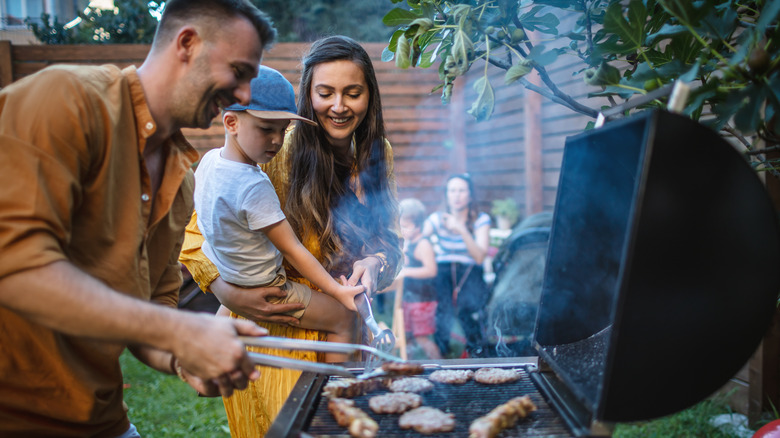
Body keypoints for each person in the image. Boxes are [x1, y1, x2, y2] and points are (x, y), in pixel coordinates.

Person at [0, 1, 277, 436]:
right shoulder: (66, 99)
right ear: (187, 43)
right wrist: (178, 330)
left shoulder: (181, 179)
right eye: (239, 72)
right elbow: (15, 265)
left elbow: (152, 308)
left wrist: (182, 356)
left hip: (102, 418)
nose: (244, 95)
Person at [179, 35, 403, 436]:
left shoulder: (378, 152)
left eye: (353, 93)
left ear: (370, 96)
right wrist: (226, 292)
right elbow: (199, 235)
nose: (339, 106)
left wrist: (375, 262)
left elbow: (390, 241)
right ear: (306, 95)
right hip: (275, 333)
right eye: (325, 93)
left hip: (347, 332)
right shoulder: (272, 145)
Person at [194, 66, 365, 362]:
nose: (276, 140)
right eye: (265, 129)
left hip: (228, 271)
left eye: (283, 129)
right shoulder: (253, 185)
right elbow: (293, 249)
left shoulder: (209, 162)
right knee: (343, 319)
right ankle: (335, 394)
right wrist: (339, 293)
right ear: (231, 122)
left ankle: (205, 357)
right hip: (267, 287)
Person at [423, 173, 492, 358]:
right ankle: (443, 354)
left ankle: (477, 353)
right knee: (443, 311)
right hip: (443, 269)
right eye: (452, 190)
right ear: (446, 194)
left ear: (470, 195)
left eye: (462, 190)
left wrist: (461, 229)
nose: (457, 195)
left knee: (469, 310)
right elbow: (419, 237)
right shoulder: (437, 218)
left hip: (470, 269)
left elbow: (479, 257)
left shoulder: (481, 219)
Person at [397, 198, 441, 359]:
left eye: (406, 227)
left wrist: (407, 271)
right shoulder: (410, 242)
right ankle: (409, 367)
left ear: (418, 226)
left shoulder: (423, 244)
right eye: (400, 226)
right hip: (410, 298)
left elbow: (431, 270)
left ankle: (441, 367)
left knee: (422, 338)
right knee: (407, 336)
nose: (402, 230)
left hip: (423, 301)